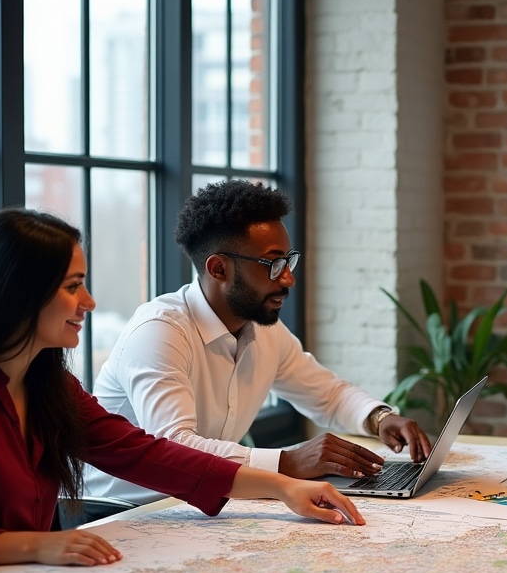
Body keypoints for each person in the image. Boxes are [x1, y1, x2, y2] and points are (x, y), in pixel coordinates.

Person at [0, 209, 364, 573]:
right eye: (73, 286)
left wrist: (284, 488)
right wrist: (34, 545)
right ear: (16, 294)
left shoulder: (48, 384)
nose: (90, 302)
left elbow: (144, 454)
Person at [84, 180, 431, 505]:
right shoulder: (159, 331)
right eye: (273, 264)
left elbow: (327, 393)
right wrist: (288, 462)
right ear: (218, 269)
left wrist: (380, 418)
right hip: (121, 513)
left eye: (288, 260)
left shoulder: (262, 327)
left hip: (199, 507)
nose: (289, 279)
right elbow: (176, 446)